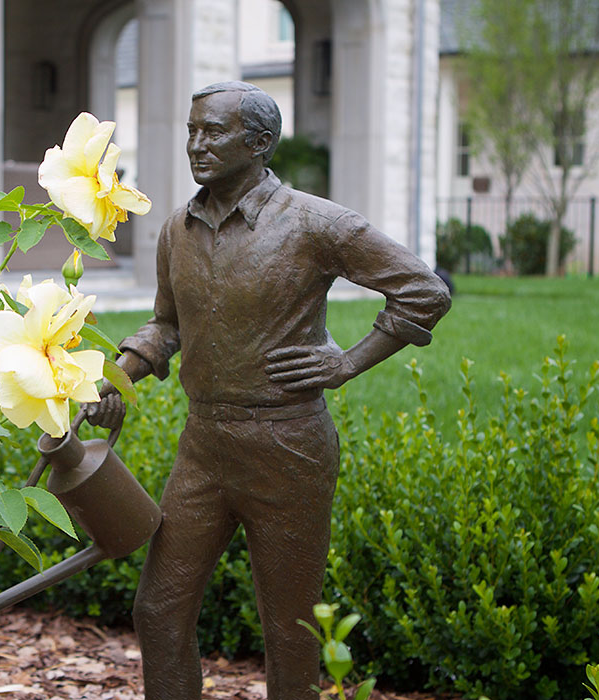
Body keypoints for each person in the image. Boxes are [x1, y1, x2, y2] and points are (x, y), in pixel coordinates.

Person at [86, 81, 451, 700]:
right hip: (204, 445)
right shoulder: (178, 227)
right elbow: (167, 323)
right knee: (158, 608)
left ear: (259, 143)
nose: (196, 145)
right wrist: (117, 373)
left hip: (289, 447)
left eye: (213, 132)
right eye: (191, 131)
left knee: (291, 628)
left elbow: (424, 290)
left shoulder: (316, 223)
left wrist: (348, 363)